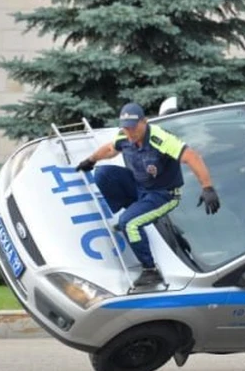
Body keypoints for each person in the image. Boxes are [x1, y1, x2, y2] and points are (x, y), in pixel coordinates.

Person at [75, 103, 220, 289]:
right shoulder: (125, 135)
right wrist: (91, 160)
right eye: (126, 127)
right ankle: (135, 212)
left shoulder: (161, 139)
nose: (130, 132)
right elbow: (111, 149)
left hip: (164, 194)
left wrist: (207, 188)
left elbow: (192, 157)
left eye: (134, 127)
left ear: (144, 122)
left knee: (130, 224)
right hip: (140, 186)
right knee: (103, 173)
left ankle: (150, 270)